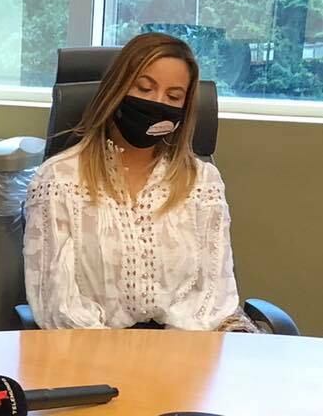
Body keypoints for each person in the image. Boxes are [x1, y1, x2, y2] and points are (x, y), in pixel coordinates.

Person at [24, 32, 255, 332]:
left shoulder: (203, 182)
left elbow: (213, 294)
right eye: (144, 88)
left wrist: (173, 350)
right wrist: (122, 353)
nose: (157, 103)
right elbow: (57, 303)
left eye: (173, 97)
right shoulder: (59, 179)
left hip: (185, 348)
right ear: (116, 91)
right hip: (89, 348)